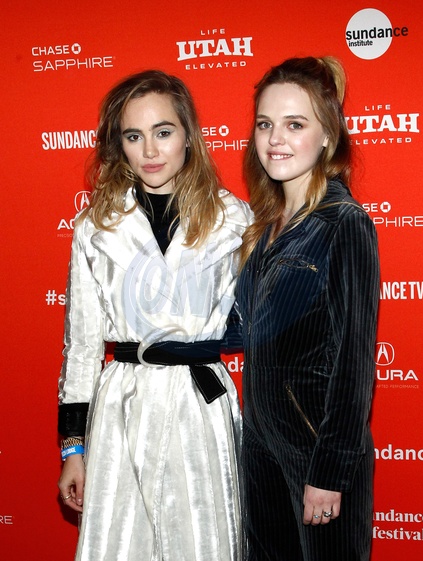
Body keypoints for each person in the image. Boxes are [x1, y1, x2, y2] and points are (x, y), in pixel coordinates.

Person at [57, 69, 252, 561]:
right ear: (118, 145)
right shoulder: (95, 227)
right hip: (122, 405)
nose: (149, 150)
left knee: (203, 543)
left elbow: (260, 326)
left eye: (163, 132)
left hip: (200, 402)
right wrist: (73, 448)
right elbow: (82, 345)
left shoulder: (234, 219)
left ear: (188, 135)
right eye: (133, 136)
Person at [236, 57, 380, 561]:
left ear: (328, 137)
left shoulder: (343, 222)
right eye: (265, 124)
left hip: (317, 449)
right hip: (261, 444)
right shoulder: (265, 225)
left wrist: (330, 470)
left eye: (295, 125)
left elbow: (355, 361)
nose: (275, 138)